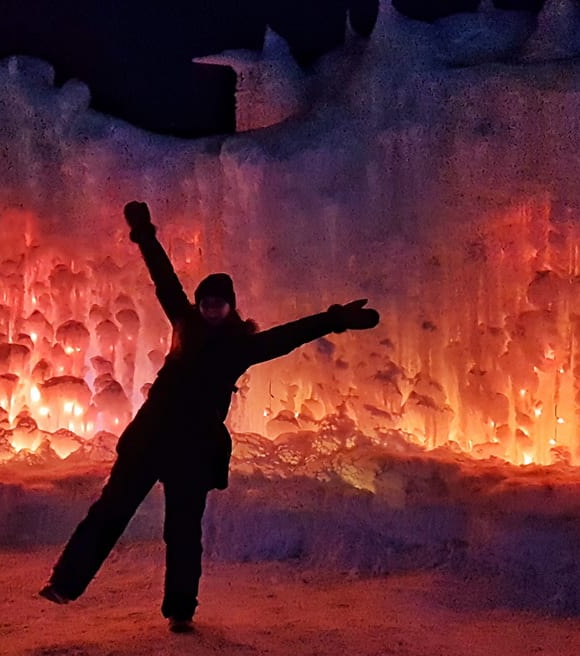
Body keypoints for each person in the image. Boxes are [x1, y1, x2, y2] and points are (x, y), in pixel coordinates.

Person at [40, 201, 379, 632]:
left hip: (194, 452)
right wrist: (144, 233)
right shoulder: (183, 323)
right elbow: (164, 279)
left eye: (218, 304)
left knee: (183, 532)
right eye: (205, 303)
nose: (210, 309)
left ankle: (181, 610)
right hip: (150, 440)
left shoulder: (241, 346)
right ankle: (65, 584)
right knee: (110, 512)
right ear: (198, 305)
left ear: (231, 307)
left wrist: (333, 320)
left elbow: (286, 336)